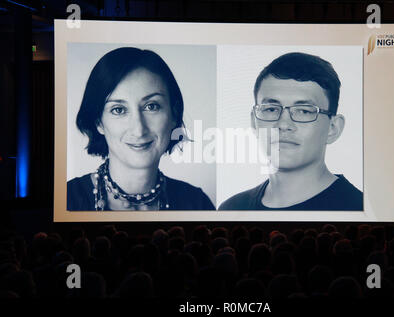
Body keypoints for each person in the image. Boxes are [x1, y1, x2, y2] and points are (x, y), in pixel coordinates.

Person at [67, 47, 214, 211]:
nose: (139, 129)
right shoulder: (67, 199)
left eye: (151, 106)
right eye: (118, 110)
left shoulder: (197, 203)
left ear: (174, 114)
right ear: (98, 122)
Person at [219, 52, 362, 211]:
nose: (283, 124)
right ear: (254, 121)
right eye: (271, 109)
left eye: (304, 111)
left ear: (333, 128)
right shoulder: (232, 209)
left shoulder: (359, 209)